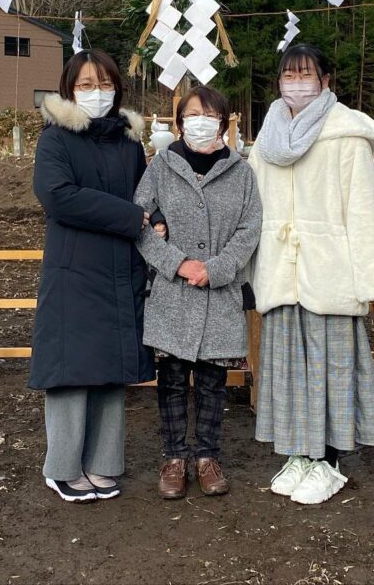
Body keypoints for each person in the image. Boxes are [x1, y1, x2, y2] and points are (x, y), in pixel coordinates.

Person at [248, 44, 374, 505]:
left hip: (331, 270)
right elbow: (252, 208)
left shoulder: (345, 134)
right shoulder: (267, 138)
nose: (297, 84)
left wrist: (371, 281)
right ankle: (297, 454)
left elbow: (365, 213)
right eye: (288, 75)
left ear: (325, 80)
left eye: (306, 75)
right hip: (280, 268)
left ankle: (328, 461)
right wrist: (250, 269)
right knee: (288, 368)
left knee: (330, 369)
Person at [28, 50, 155, 503]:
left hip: (120, 267)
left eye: (104, 85)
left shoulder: (128, 142)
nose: (96, 93)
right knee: (72, 370)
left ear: (116, 89)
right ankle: (62, 467)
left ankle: (103, 463)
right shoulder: (56, 139)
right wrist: (132, 217)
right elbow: (58, 196)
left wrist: (154, 218)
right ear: (69, 90)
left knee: (110, 367)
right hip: (74, 269)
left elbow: (145, 196)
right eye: (85, 85)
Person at [135, 86, 262, 500]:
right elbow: (139, 221)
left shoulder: (241, 172)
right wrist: (177, 263)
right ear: (179, 122)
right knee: (171, 380)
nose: (200, 122)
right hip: (172, 292)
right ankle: (174, 458)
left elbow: (250, 228)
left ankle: (207, 457)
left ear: (223, 122)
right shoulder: (161, 166)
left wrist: (217, 268)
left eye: (209, 115)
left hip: (219, 293)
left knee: (212, 382)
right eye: (192, 114)